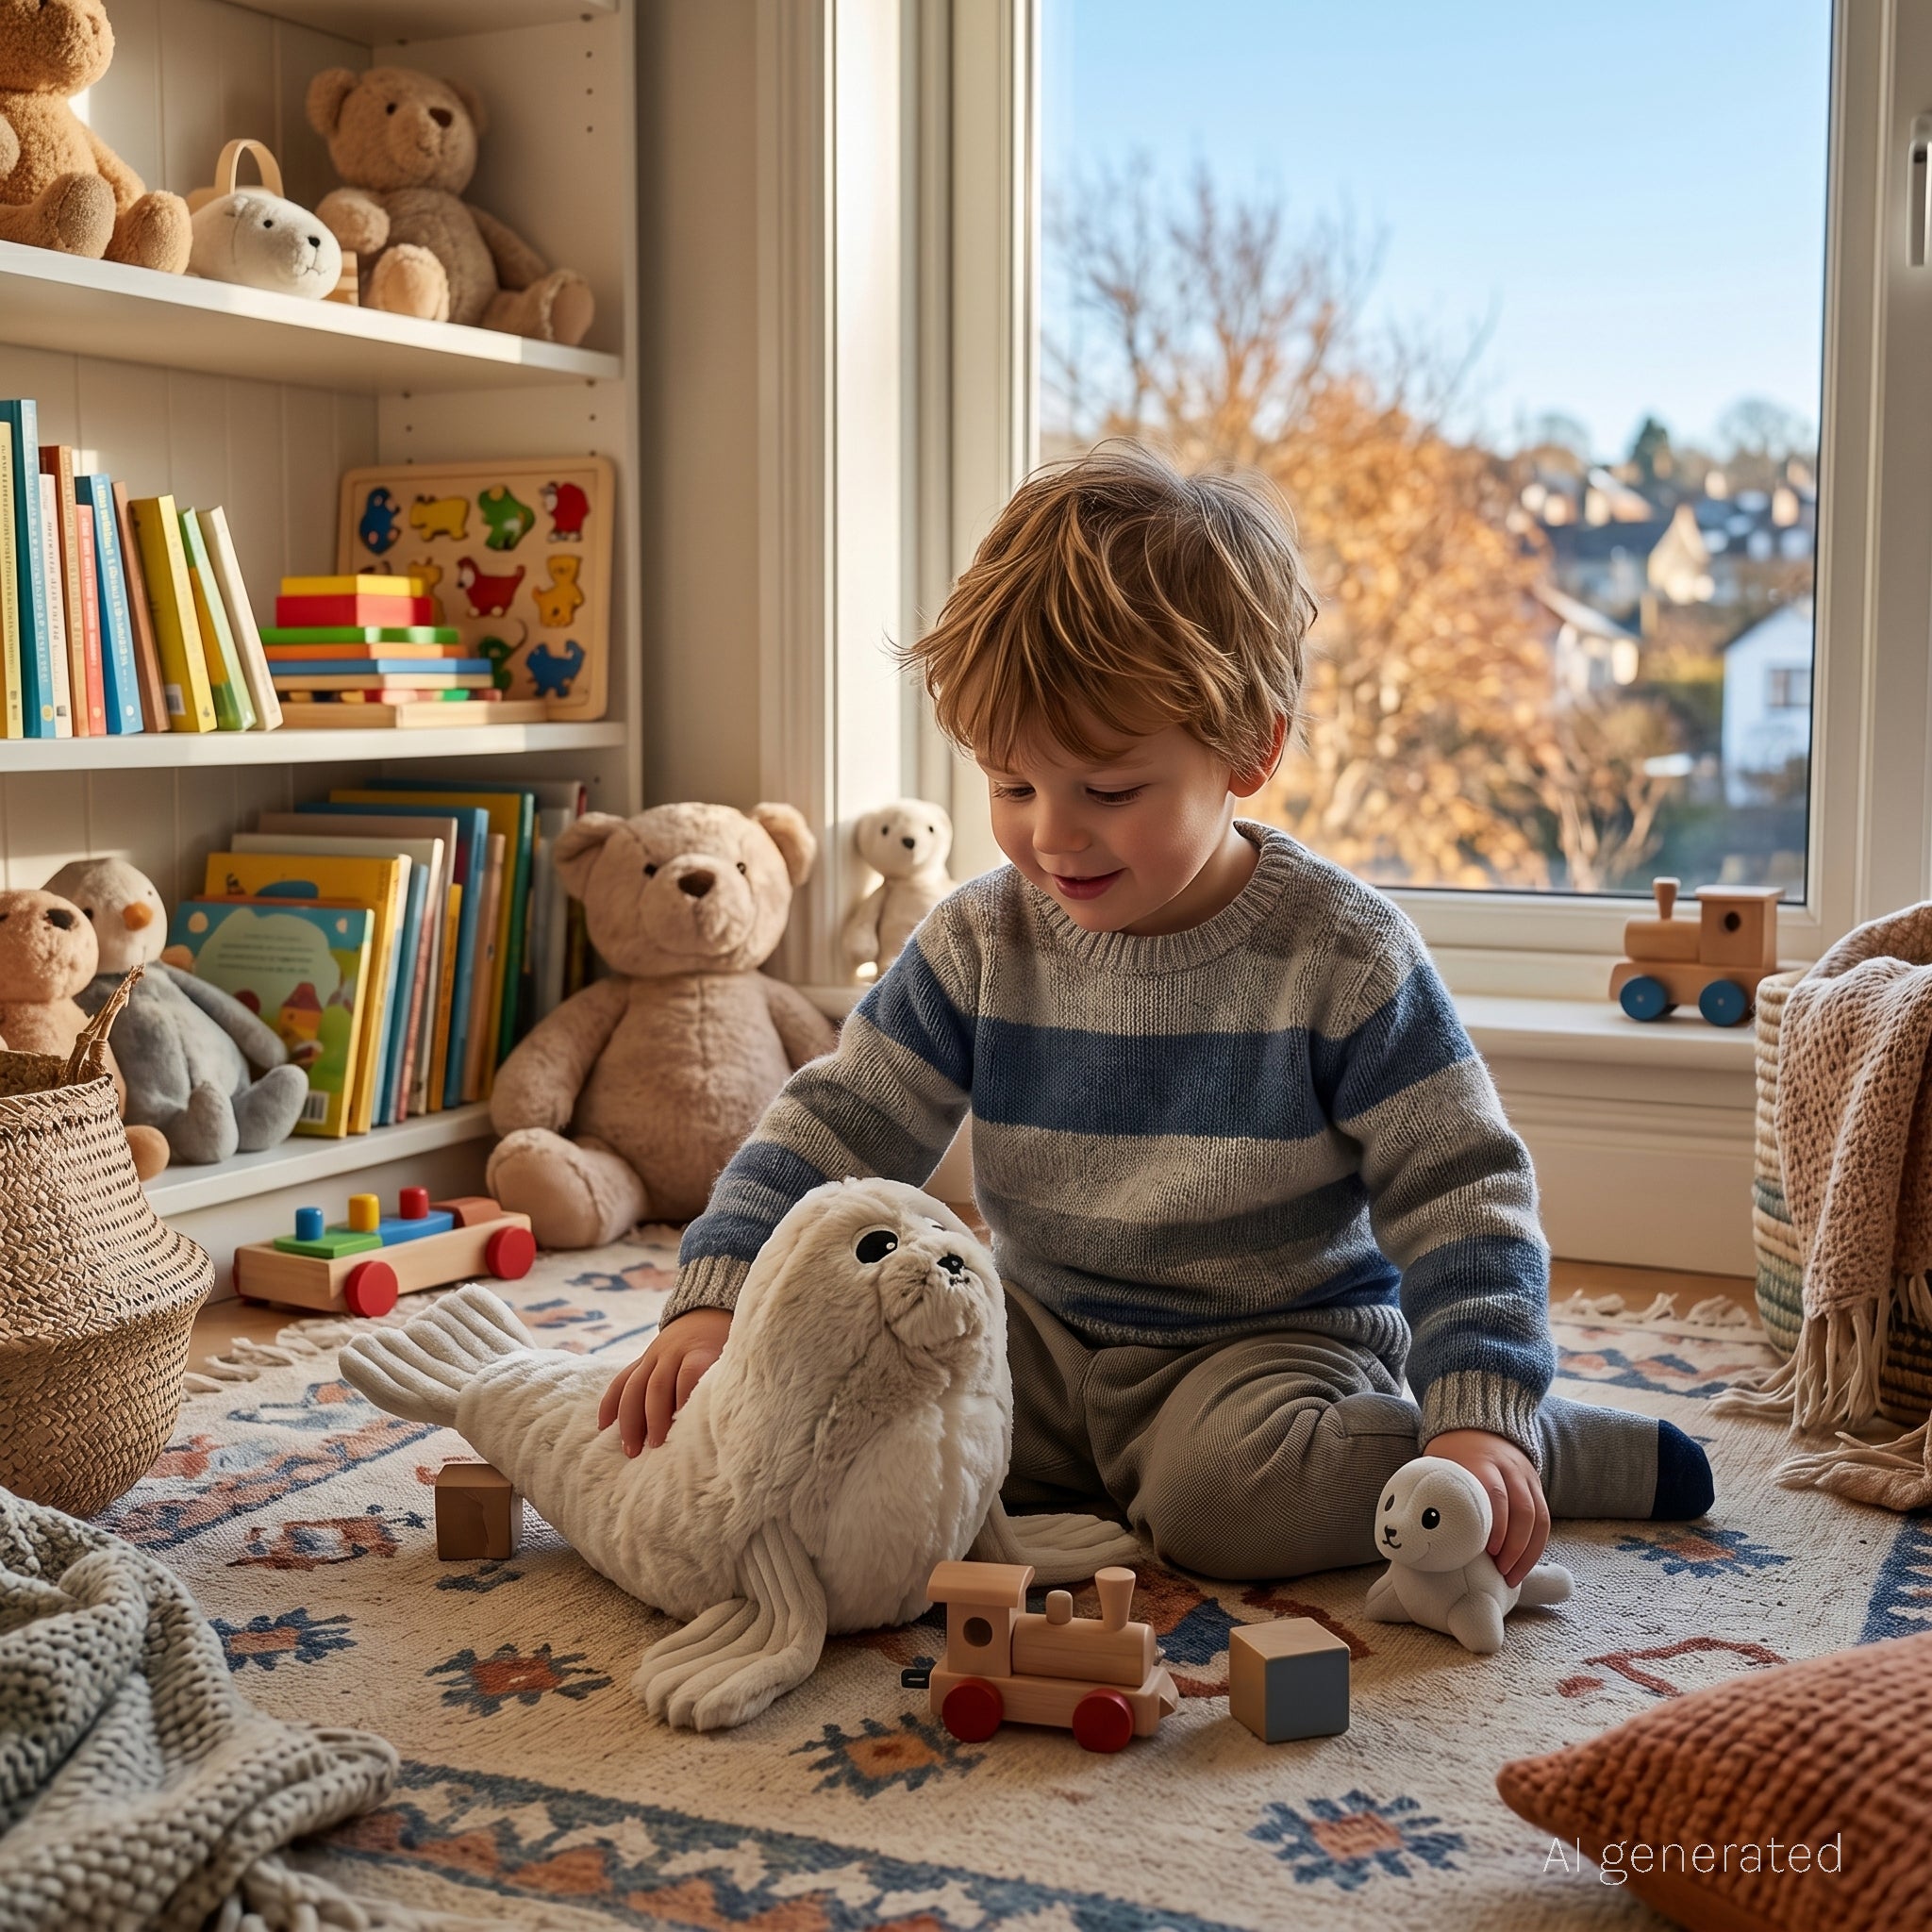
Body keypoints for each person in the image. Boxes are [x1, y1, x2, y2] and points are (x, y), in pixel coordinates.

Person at [597, 441, 1714, 1584]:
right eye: (1010, 785)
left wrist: (1478, 1402)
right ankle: (1163, 1458)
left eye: (1109, 790)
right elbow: (833, 1123)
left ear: (1248, 749)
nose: (1051, 834)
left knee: (1219, 1507)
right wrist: (718, 1297)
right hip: (1038, 1328)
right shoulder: (981, 939)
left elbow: (1460, 1188)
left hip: (1265, 1356)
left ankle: (1497, 1460)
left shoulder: (1341, 952)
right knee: (845, 1416)